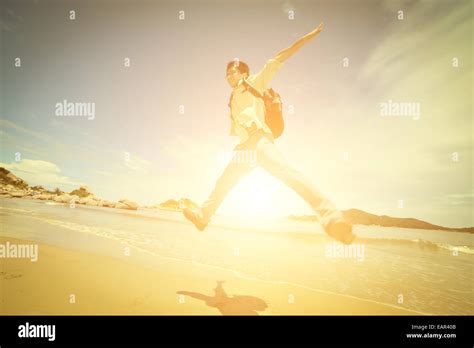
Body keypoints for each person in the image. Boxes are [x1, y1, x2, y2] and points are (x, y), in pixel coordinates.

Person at [183, 22, 356, 244]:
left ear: (243, 72)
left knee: (287, 173)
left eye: (232, 72)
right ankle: (202, 217)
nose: (227, 76)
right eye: (226, 74)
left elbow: (280, 57)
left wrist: (308, 36)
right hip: (244, 148)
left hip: (260, 141)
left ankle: (332, 218)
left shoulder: (256, 81)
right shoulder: (232, 98)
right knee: (224, 181)